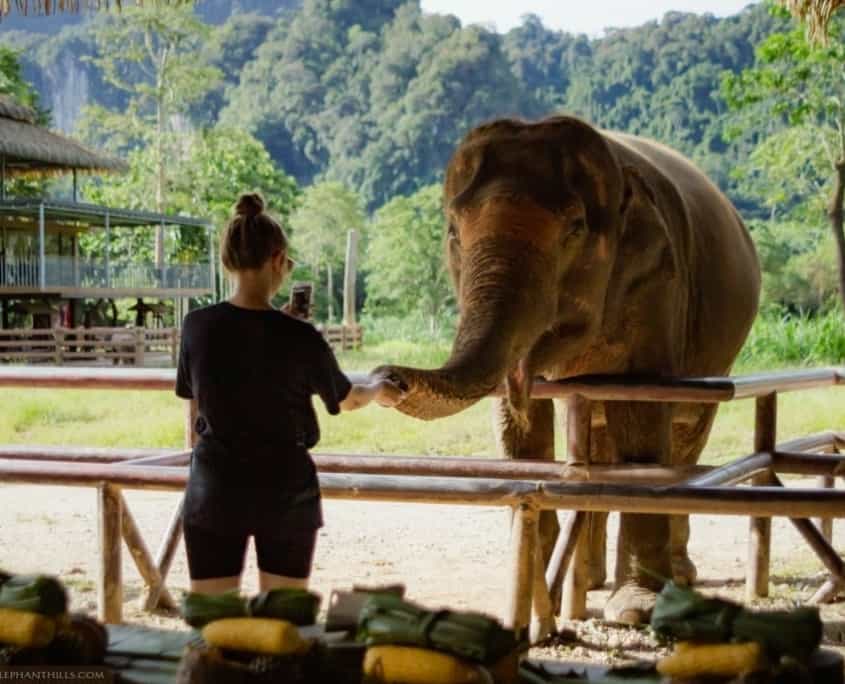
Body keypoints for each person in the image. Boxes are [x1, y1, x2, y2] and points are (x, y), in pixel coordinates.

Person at [175, 192, 404, 595]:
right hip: (283, 489)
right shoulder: (299, 337)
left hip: (213, 485)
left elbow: (195, 408)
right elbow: (348, 398)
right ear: (279, 260)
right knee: (283, 619)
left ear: (228, 261)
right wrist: (381, 389)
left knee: (213, 619)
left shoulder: (197, 326)